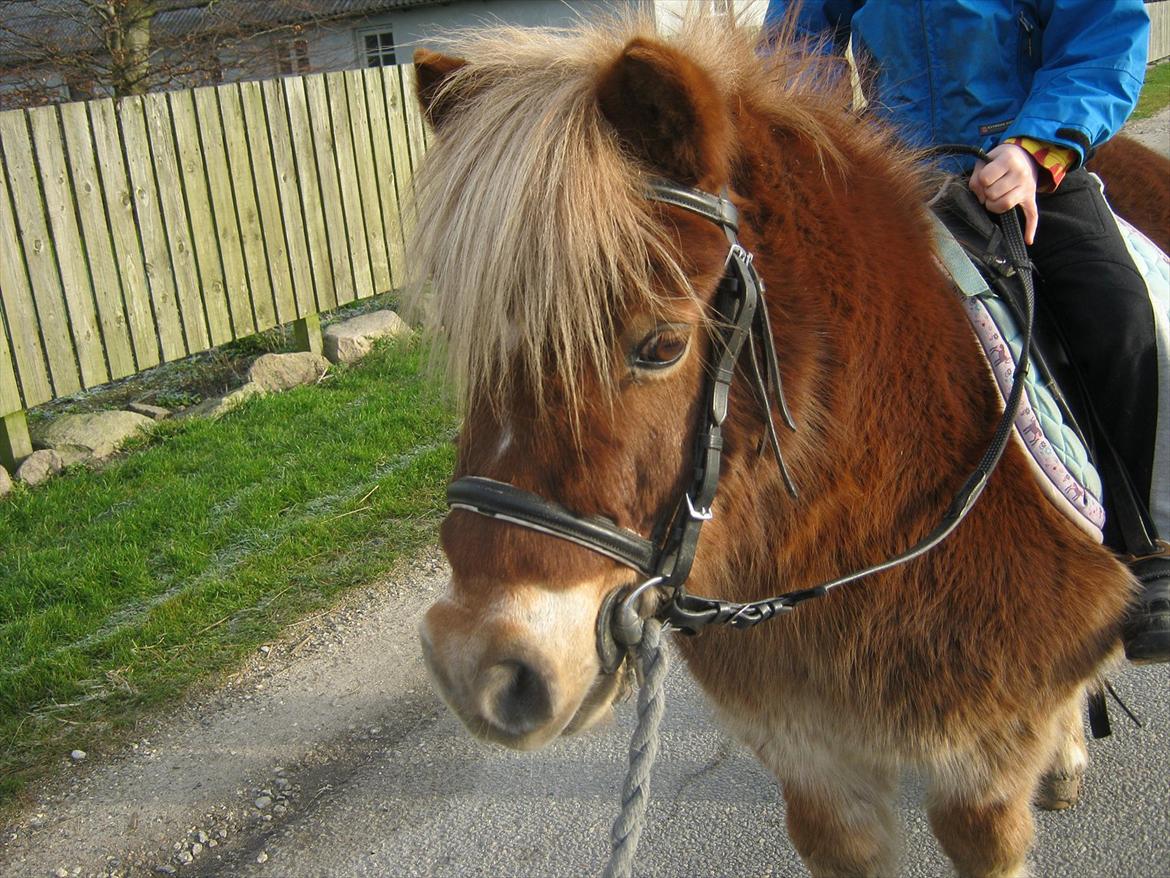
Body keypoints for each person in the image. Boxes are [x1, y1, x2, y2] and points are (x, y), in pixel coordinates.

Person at [763, 0, 1169, 663]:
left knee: (1118, 314)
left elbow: (1102, 36)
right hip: (895, 170)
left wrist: (1033, 146)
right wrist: (828, 142)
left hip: (1024, 167)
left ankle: (1146, 545)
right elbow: (796, 48)